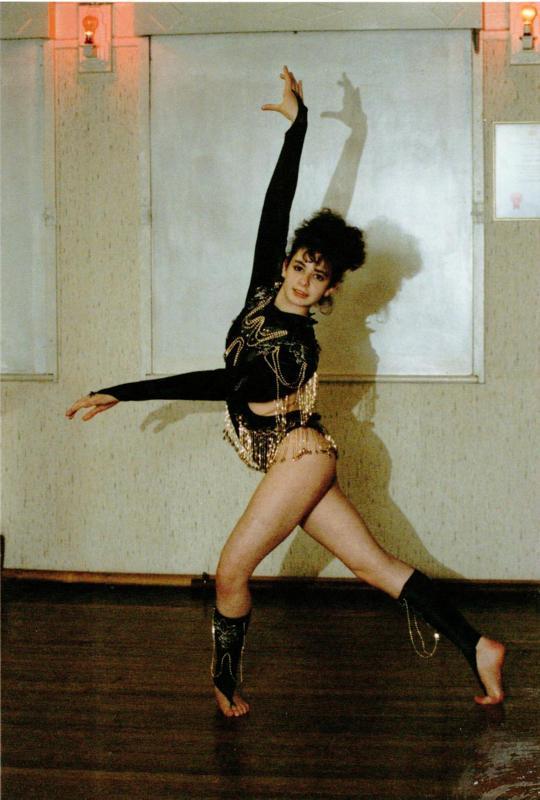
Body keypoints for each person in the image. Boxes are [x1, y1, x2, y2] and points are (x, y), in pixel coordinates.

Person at [66, 67, 505, 718]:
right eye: (300, 266)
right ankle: (480, 646)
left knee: (231, 571)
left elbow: (222, 383)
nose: (303, 281)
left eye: (317, 277)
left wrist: (120, 392)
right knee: (376, 566)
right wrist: (298, 128)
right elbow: (278, 205)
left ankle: (224, 684)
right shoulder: (260, 294)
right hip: (294, 456)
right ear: (287, 264)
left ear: (330, 290)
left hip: (299, 457)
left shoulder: (295, 346)